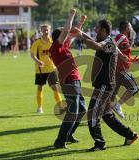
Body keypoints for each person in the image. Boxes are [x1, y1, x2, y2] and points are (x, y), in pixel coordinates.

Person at [76, 19, 139, 151]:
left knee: (92, 115)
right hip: (103, 84)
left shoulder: (109, 43)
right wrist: (80, 33)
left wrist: (81, 38)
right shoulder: (107, 41)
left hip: (104, 85)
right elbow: (94, 41)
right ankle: (130, 135)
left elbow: (97, 46)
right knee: (106, 114)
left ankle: (100, 143)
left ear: (104, 30)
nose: (94, 30)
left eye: (97, 28)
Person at [49, 9, 86, 149]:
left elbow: (72, 35)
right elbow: (67, 30)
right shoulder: (56, 48)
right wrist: (71, 15)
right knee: (72, 112)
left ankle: (68, 134)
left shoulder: (63, 47)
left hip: (75, 80)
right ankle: (60, 141)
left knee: (82, 110)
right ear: (59, 38)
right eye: (64, 36)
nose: (67, 37)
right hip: (70, 81)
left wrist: (81, 23)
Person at [30, 24, 62, 113]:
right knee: (40, 88)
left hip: (52, 68)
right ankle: (39, 107)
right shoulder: (37, 42)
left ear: (50, 30)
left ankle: (60, 106)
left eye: (47, 30)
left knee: (55, 87)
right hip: (40, 70)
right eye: (44, 30)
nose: (46, 32)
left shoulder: (53, 41)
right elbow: (32, 54)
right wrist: (38, 61)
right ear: (41, 31)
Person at [112, 21, 139, 118]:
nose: (131, 28)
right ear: (127, 28)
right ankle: (117, 105)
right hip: (121, 70)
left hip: (118, 70)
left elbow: (123, 55)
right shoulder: (122, 37)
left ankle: (96, 114)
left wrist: (132, 60)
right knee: (134, 88)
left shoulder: (124, 38)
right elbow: (112, 46)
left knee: (110, 95)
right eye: (130, 26)